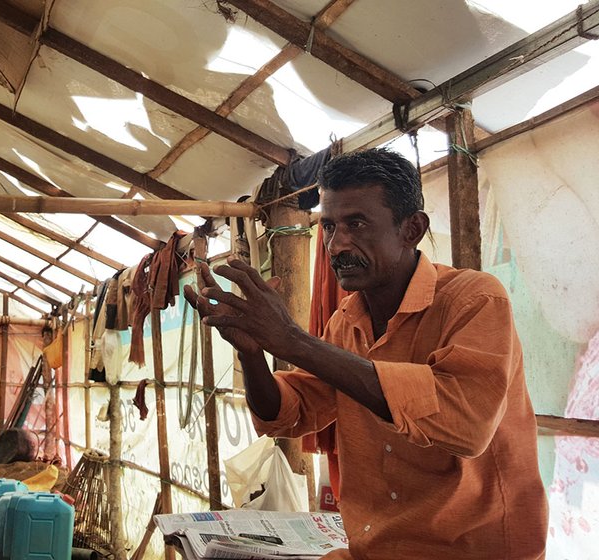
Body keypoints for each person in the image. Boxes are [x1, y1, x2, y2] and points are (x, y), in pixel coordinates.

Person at [184, 148, 548, 559]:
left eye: (356, 224)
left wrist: (292, 341)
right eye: (328, 226)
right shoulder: (346, 321)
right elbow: (290, 413)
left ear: (411, 229)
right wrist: (253, 355)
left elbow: (466, 424)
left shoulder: (474, 299)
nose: (337, 245)